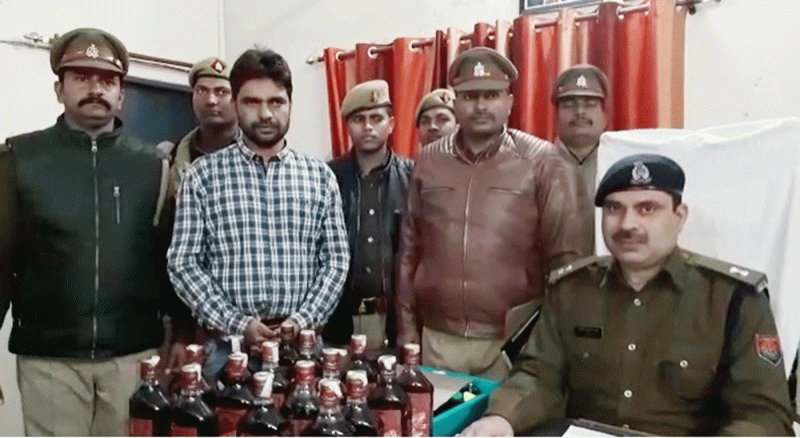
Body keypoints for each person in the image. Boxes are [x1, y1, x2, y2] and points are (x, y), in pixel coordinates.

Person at [462, 154, 796, 436]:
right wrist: (502, 419)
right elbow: (539, 375)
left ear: (679, 217)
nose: (627, 224)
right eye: (614, 208)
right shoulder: (572, 289)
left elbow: (763, 415)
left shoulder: (731, 298)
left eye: (647, 209)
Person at [0, 28, 185, 435]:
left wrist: (180, 334)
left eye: (107, 80)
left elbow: (168, 258)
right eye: (82, 77)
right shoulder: (21, 159)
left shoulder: (152, 166)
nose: (95, 89)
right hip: (50, 360)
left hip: (133, 357)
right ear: (59, 89)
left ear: (121, 94)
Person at [396, 47, 581, 379]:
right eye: (469, 96)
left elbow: (564, 260)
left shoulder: (542, 160)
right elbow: (410, 253)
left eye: (491, 95)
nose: (480, 106)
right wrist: (407, 331)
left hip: (513, 342)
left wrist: (552, 342)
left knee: (503, 414)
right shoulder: (428, 160)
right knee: (441, 413)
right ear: (455, 103)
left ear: (509, 101)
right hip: (438, 340)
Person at [167, 49, 349, 359]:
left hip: (302, 349)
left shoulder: (320, 177)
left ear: (290, 104)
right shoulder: (202, 177)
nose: (265, 114)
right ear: (236, 104)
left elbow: (336, 260)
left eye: (276, 102)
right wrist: (238, 323)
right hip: (226, 350)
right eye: (252, 102)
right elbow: (184, 263)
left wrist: (302, 320)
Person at [322, 80, 413, 350]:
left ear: (391, 124)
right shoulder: (327, 177)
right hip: (339, 321)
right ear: (347, 126)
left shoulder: (413, 177)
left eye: (376, 118)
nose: (368, 127)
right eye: (358, 119)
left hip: (397, 322)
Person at [552, 64, 610, 255]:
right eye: (569, 104)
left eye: (590, 104)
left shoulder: (617, 167)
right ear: (556, 115)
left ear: (605, 114)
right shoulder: (536, 167)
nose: (580, 112)